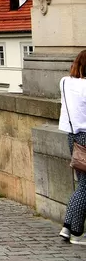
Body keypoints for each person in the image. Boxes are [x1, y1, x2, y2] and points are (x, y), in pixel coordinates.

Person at [60, 50, 86, 244]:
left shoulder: (64, 82)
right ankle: (76, 233)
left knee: (82, 183)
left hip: (72, 137)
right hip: (85, 135)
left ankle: (67, 228)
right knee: (85, 186)